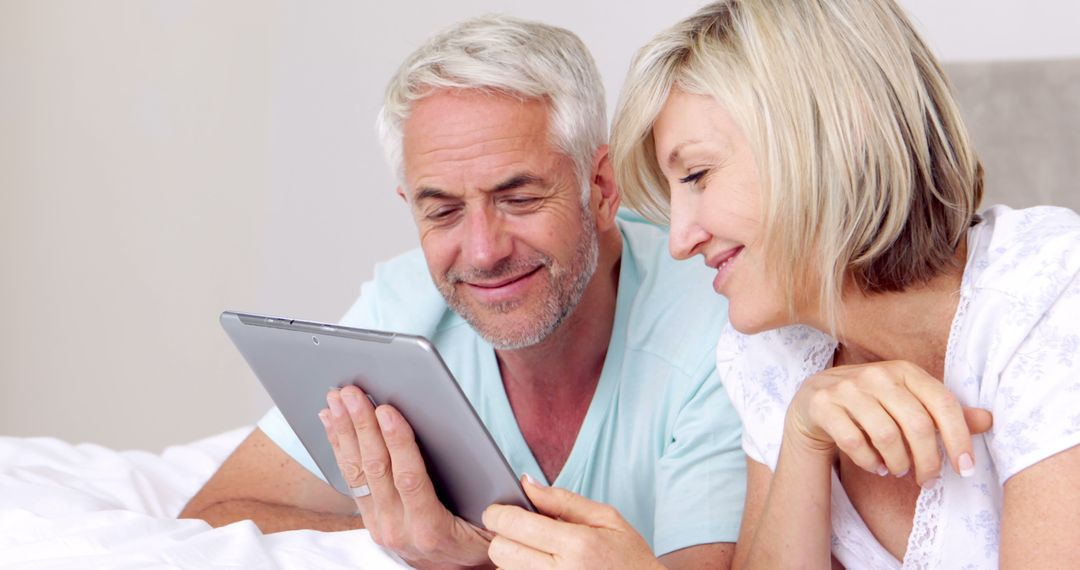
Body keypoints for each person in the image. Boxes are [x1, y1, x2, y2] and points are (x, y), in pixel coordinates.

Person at [481, 0, 1080, 568]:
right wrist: (803, 435)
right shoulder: (770, 356)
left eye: (697, 175)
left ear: (827, 140)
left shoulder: (1049, 294)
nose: (680, 240)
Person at [180, 14, 748, 570]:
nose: (482, 252)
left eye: (518, 198)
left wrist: (478, 563)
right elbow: (214, 514)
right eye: (444, 211)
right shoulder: (399, 310)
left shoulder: (717, 321)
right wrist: (411, 541)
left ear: (600, 187)